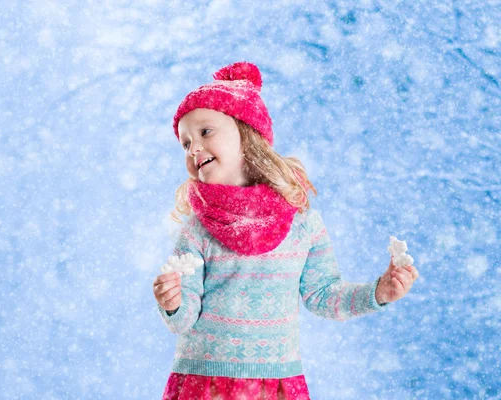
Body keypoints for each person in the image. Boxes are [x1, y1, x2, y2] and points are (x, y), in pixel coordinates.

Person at [152, 61, 419, 400]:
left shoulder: (302, 224)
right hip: (204, 383)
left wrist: (378, 293)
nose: (193, 148)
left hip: (276, 385)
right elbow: (183, 319)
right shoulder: (197, 230)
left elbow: (323, 295)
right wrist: (173, 302)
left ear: (247, 135)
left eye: (205, 132)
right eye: (185, 143)